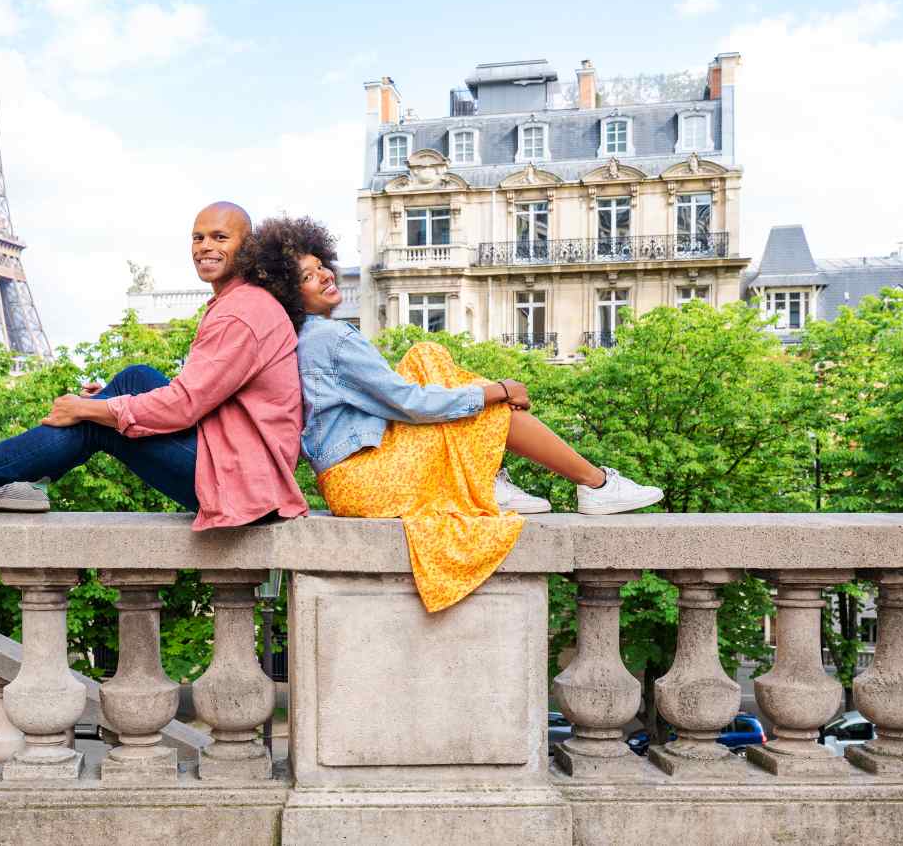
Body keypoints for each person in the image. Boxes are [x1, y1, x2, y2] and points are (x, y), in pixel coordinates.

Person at [238, 215, 663, 612]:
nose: (326, 276)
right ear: (290, 293)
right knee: (478, 402)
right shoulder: (330, 339)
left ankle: (488, 478)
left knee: (428, 358)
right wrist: (496, 391)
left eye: (321, 266)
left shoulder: (301, 338)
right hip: (369, 480)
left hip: (349, 482)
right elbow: (411, 404)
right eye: (307, 277)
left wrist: (483, 396)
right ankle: (595, 483)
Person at [0, 202, 310, 529]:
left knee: (99, 421)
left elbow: (184, 405)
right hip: (241, 464)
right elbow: (196, 396)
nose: (205, 247)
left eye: (220, 237)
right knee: (132, 380)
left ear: (247, 248)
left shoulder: (240, 313)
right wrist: (106, 403)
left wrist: (91, 410)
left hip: (244, 485)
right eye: (198, 237)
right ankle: (27, 481)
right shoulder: (243, 304)